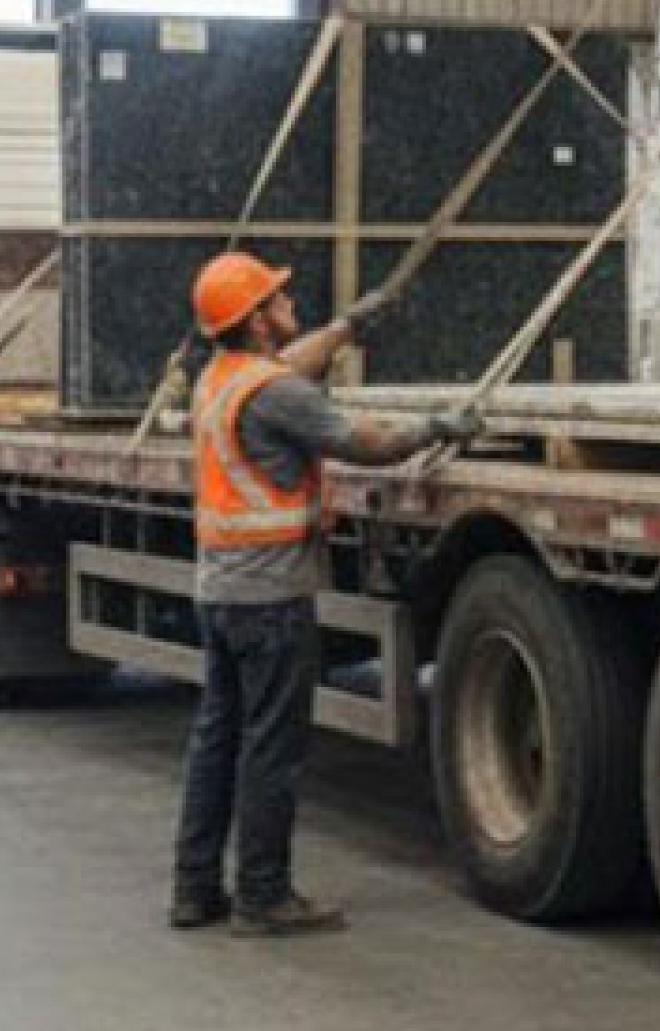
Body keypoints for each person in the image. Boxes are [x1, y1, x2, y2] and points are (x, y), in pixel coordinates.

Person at [170, 252, 479, 936]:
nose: (290, 301)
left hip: (221, 590)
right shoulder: (275, 394)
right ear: (257, 321)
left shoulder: (218, 378)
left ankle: (195, 888)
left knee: (217, 740)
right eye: (277, 298)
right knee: (271, 748)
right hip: (271, 597)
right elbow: (365, 443)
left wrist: (347, 326)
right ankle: (262, 895)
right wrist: (435, 427)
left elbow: (290, 365)